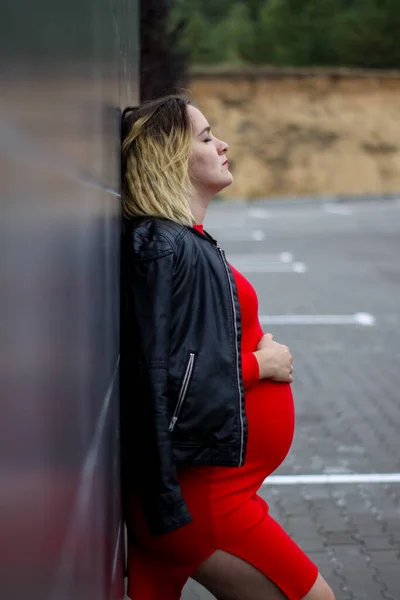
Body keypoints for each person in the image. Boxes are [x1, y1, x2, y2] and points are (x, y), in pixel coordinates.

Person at [120, 96, 335, 600]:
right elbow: (159, 373)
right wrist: (261, 365)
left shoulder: (182, 239)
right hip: (205, 498)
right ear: (170, 158)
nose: (223, 144)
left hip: (209, 489)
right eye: (205, 136)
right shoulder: (163, 244)